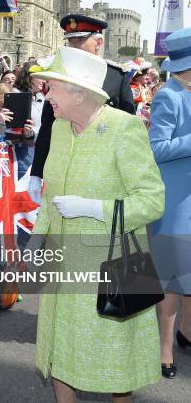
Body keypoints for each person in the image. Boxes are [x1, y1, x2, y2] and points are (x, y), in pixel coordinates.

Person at [31, 46, 164, 403]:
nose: (47, 94)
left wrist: (93, 208)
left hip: (111, 268)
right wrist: (34, 241)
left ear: (78, 91)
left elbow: (152, 201)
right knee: (59, 349)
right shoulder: (59, 128)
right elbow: (50, 195)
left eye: (54, 87)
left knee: (115, 361)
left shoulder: (124, 129)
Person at [29, 14, 136, 204]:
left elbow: (129, 129)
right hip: (63, 171)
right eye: (70, 41)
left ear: (98, 42)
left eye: (79, 40)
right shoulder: (59, 76)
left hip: (103, 172)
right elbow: (47, 126)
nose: (73, 47)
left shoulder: (116, 77)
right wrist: (36, 173)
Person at [147, 27, 191, 380]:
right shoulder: (169, 96)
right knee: (172, 281)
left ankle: (186, 333)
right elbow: (156, 147)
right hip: (175, 202)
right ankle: (164, 350)